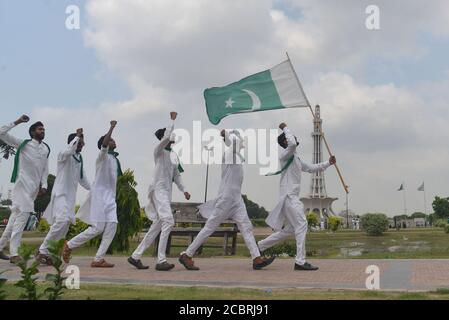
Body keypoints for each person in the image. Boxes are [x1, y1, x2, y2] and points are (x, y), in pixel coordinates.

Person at [179, 129, 275, 271]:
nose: (243, 141)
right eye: (240, 139)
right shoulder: (230, 153)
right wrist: (226, 134)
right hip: (226, 199)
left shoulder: (236, 155)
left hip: (236, 200)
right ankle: (187, 254)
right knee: (209, 228)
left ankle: (256, 258)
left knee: (246, 227)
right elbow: (235, 142)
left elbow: (236, 143)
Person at [258, 122, 336, 271]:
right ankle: (300, 261)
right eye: (290, 137)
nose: (294, 137)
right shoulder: (285, 154)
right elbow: (292, 144)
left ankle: (260, 246)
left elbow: (312, 168)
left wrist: (328, 163)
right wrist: (285, 127)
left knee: (290, 230)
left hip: (290, 198)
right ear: (286, 141)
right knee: (302, 225)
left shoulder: (296, 159)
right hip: (289, 197)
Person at [128, 112, 191, 271]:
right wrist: (172, 120)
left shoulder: (173, 155)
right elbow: (166, 137)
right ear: (164, 136)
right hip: (158, 191)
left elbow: (177, 176)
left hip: (165, 193)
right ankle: (161, 260)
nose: (172, 136)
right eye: (169, 134)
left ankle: (135, 256)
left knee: (157, 225)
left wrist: (184, 190)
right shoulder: (159, 150)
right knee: (168, 221)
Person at [62, 121, 121, 268]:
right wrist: (111, 128)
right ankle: (69, 245)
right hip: (99, 197)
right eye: (111, 140)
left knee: (112, 226)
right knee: (98, 228)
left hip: (110, 199)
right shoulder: (102, 156)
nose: (113, 141)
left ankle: (98, 259)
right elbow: (105, 144)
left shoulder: (115, 160)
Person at [36, 128, 91, 265]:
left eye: (82, 142)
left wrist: (95, 190)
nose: (82, 145)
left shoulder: (79, 158)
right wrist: (77, 137)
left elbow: (82, 179)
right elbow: (69, 150)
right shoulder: (63, 154)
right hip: (60, 194)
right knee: (61, 221)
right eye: (80, 142)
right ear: (73, 142)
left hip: (70, 198)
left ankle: (49, 252)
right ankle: (42, 250)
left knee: (64, 225)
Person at [0, 115, 49, 263]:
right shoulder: (24, 144)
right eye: (40, 129)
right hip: (21, 187)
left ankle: (0, 246)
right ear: (33, 132)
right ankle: (14, 253)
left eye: (44, 129)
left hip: (33, 190)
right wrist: (17, 122)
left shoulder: (46, 148)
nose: (43, 131)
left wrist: (45, 185)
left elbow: (45, 168)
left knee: (15, 218)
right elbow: (1, 133)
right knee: (23, 216)